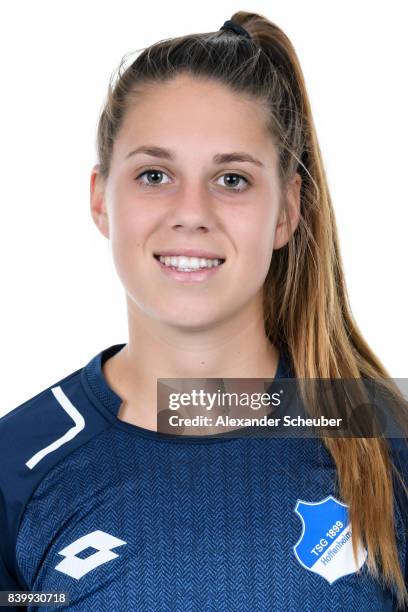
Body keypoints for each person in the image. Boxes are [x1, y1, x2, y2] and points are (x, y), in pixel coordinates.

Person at [0, 11, 407, 611]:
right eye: (155, 174)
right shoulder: (18, 464)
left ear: (286, 210)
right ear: (100, 199)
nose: (192, 212)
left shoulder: (383, 436)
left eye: (233, 179)